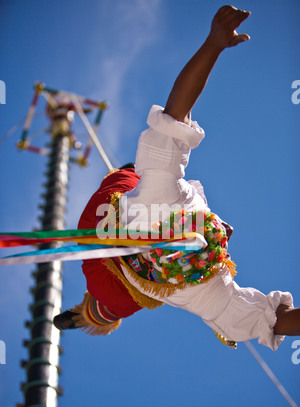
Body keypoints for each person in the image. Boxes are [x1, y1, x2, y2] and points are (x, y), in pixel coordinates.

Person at [54, 5, 300, 350]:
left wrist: (213, 45)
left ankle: (91, 312)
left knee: (249, 320)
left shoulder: (139, 227)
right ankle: (91, 311)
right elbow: (174, 118)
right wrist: (213, 45)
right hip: (161, 239)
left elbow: (278, 320)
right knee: (165, 139)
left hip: (184, 271)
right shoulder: (145, 201)